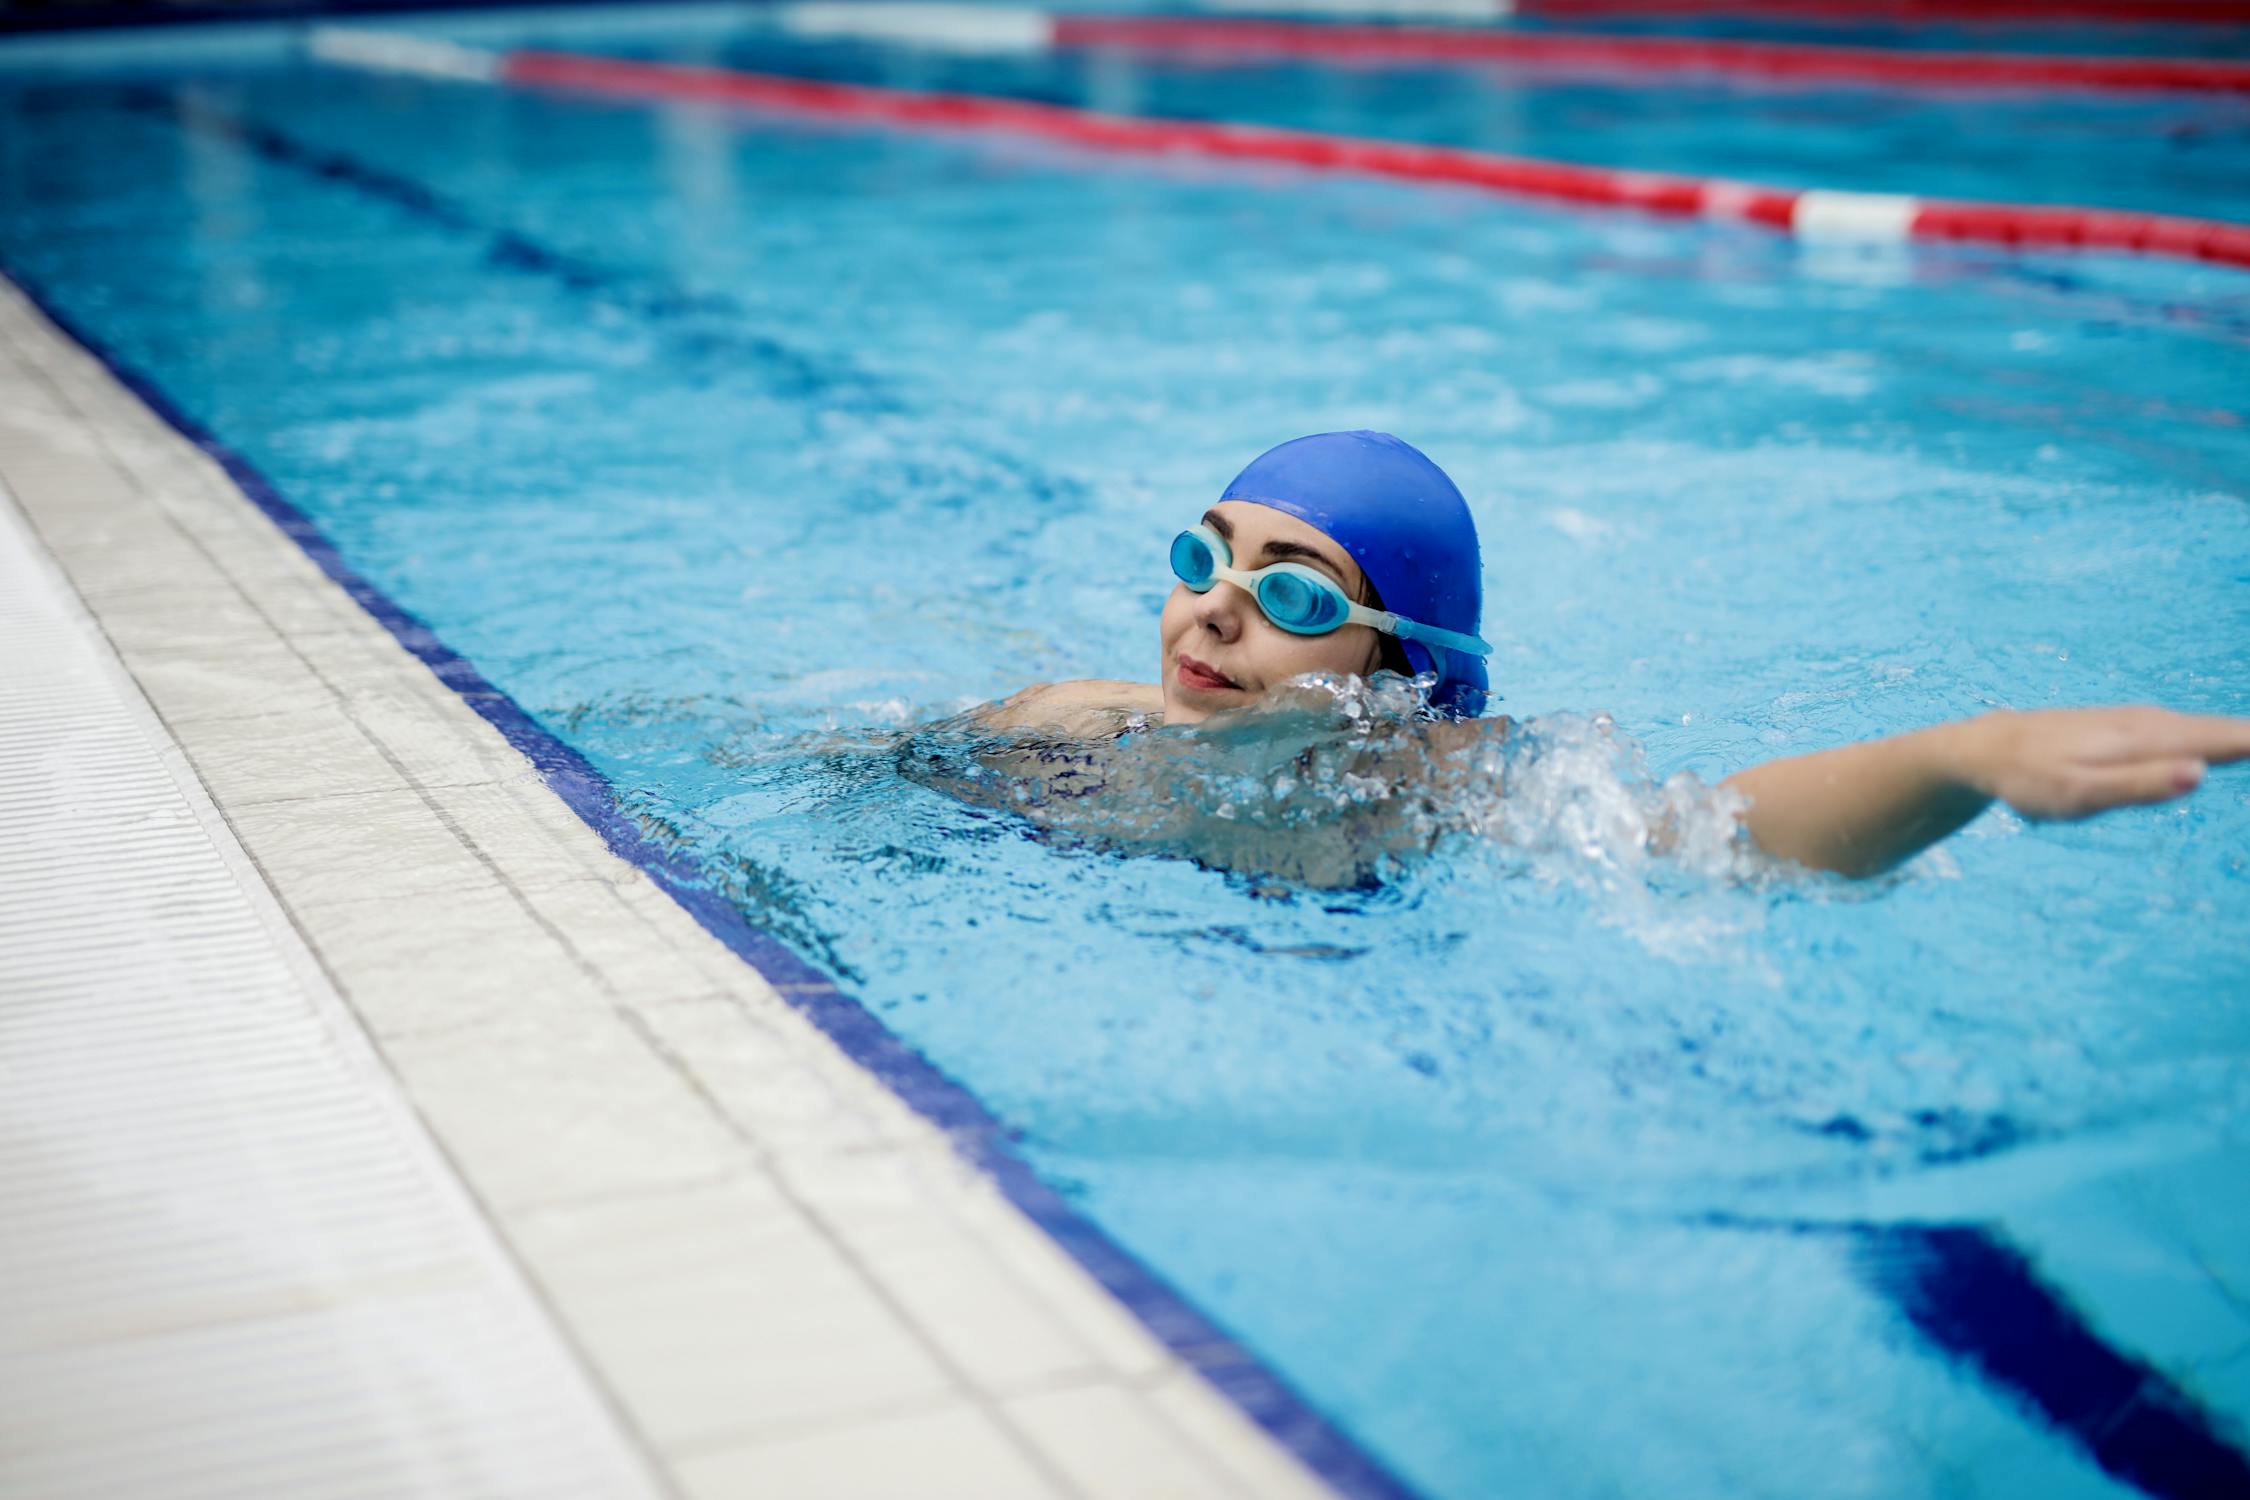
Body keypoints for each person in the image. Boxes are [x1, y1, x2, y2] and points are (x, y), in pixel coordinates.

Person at [979, 431, 2250, 879]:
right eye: (1204, 560)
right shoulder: (1066, 724)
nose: (1214, 611)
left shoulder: (1426, 787)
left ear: (1393, 676)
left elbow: (1711, 841)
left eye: (1297, 596)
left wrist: (1966, 758)